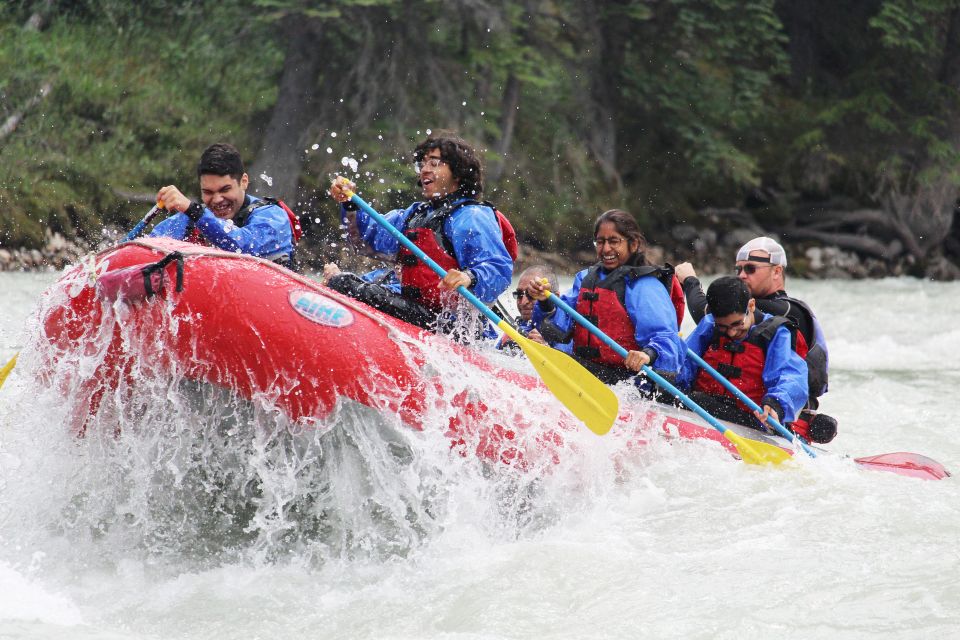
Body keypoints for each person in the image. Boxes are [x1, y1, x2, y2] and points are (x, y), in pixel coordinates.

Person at [326, 133, 515, 337]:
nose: (424, 169)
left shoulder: (472, 216)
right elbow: (367, 238)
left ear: (458, 173)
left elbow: (498, 269)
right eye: (423, 164)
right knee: (347, 281)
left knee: (344, 284)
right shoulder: (415, 215)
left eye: (434, 163)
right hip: (419, 311)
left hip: (453, 326)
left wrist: (469, 277)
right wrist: (350, 203)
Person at [675, 236, 836, 442]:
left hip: (767, 416)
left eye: (750, 269)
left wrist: (690, 282)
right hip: (715, 406)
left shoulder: (786, 314)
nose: (742, 275)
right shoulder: (718, 320)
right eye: (738, 270)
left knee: (700, 401)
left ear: (777, 271)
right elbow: (688, 357)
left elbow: (790, 375)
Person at [527, 209, 684, 387]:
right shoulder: (585, 278)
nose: (606, 249)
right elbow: (559, 325)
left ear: (633, 244)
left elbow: (666, 337)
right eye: (600, 242)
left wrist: (648, 354)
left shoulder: (645, 286)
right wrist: (545, 300)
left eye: (614, 241)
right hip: (586, 369)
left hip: (626, 381)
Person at [678, 276, 809, 434]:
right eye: (723, 327)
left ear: (751, 305)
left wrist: (776, 404)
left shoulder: (776, 334)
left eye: (737, 324)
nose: (732, 333)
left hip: (752, 421)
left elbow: (792, 377)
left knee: (700, 401)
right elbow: (683, 363)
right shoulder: (709, 324)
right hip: (702, 408)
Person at [150, 143, 301, 269]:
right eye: (208, 192)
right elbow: (150, 246)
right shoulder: (190, 219)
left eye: (225, 190)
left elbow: (242, 246)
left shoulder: (273, 217)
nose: (217, 200)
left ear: (244, 182)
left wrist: (192, 210)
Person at [495, 265, 557, 352]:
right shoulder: (512, 331)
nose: (523, 302)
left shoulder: (570, 329)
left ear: (557, 297)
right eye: (519, 294)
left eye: (532, 294)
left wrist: (548, 349)